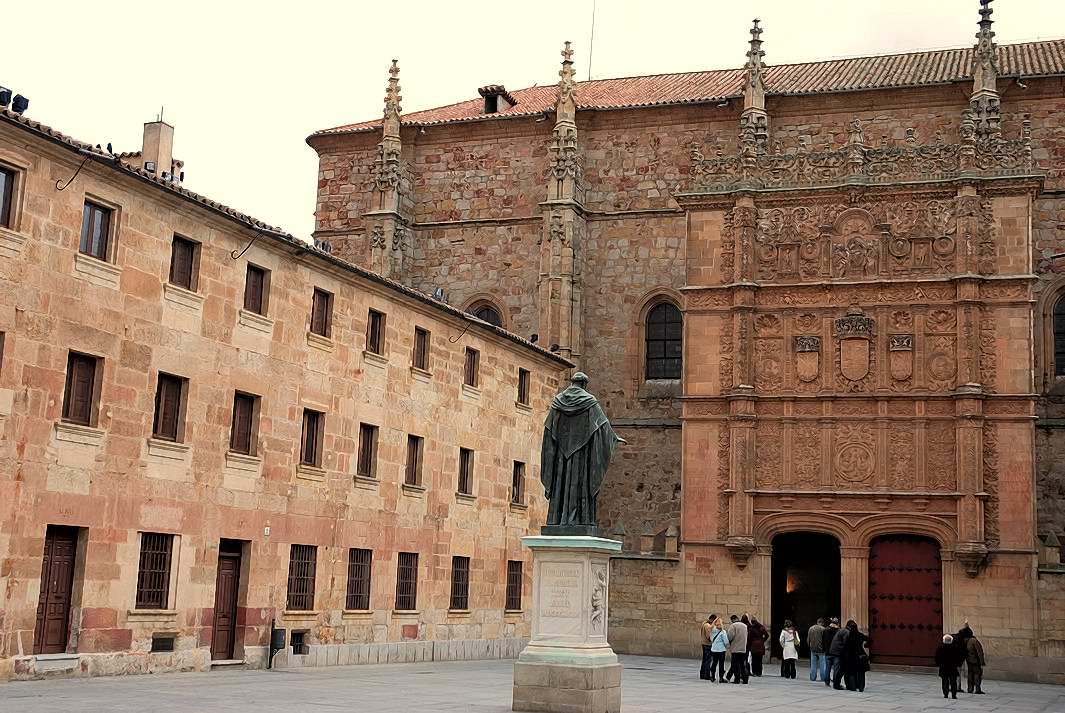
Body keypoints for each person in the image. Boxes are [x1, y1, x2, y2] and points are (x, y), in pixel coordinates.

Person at [843, 620, 870, 692]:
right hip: (860, 655)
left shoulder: (849, 636)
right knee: (861, 672)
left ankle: (853, 687)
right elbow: (869, 639)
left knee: (852, 672)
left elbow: (846, 647)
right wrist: (866, 645)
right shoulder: (860, 635)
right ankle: (861, 687)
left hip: (851, 656)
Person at [961, 624, 986, 694]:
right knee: (977, 674)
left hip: (968, 660)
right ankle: (977, 689)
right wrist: (982, 662)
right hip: (975, 660)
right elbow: (979, 652)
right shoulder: (973, 641)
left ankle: (970, 689)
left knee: (970, 674)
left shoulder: (963, 641)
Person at [725, 614, 749, 684]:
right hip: (743, 648)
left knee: (735, 664)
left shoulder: (733, 626)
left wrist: (728, 642)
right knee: (742, 664)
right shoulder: (745, 626)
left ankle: (737, 679)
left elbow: (730, 636)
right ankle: (745, 679)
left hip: (735, 648)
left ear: (732, 620)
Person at [828, 618, 850, 690]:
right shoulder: (846, 632)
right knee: (837, 669)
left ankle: (829, 681)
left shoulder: (840, 630)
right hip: (837, 653)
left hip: (831, 651)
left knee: (830, 668)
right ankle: (836, 684)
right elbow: (846, 643)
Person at [936, 634, 960, 699]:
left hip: (943, 667)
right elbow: (958, 658)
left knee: (945, 681)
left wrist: (939, 664)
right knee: (953, 681)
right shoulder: (955, 648)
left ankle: (945, 694)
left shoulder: (940, 648)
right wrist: (957, 664)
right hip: (952, 667)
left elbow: (937, 658)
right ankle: (954, 695)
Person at [709, 617, 730, 683]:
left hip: (714, 649)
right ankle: (721, 678)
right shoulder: (723, 632)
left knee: (714, 663)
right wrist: (728, 646)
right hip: (721, 650)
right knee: (721, 664)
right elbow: (726, 641)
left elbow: (711, 638)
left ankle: (712, 677)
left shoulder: (713, 630)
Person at [821, 618, 841, 687]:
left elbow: (823, 641)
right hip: (836, 652)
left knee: (827, 668)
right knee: (836, 668)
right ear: (837, 623)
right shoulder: (838, 631)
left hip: (827, 652)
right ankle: (835, 682)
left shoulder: (825, 630)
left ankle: (827, 681)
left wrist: (824, 649)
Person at [807, 617, 827, 682]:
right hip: (821, 650)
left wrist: (810, 646)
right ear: (822, 623)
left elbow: (808, 639)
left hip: (813, 649)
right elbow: (825, 640)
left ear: (817, 622)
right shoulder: (823, 629)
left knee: (813, 664)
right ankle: (823, 678)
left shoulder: (811, 628)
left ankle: (813, 677)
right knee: (822, 664)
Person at [700, 613, 717, 680]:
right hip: (708, 644)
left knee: (704, 660)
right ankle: (707, 675)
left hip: (704, 644)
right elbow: (708, 636)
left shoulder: (704, 623)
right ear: (712, 619)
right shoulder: (707, 625)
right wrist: (712, 640)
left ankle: (702, 674)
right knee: (708, 660)